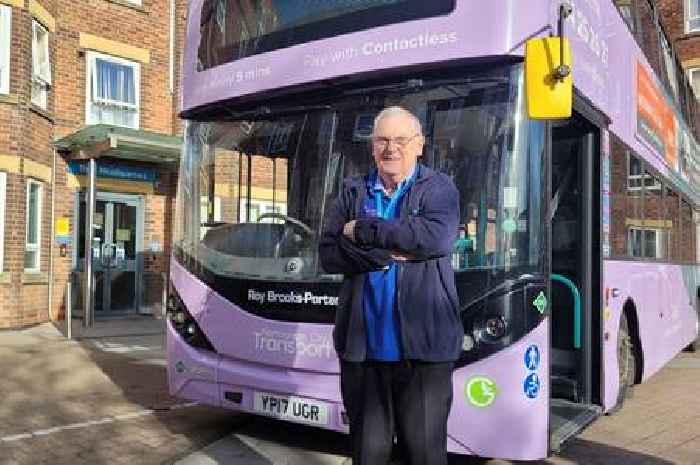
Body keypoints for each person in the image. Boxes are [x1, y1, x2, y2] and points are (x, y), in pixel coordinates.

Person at [319, 106, 463, 465]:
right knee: (367, 456)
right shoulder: (352, 190)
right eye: (382, 140)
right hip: (363, 355)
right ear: (372, 147)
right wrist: (383, 255)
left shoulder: (439, 188)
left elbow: (435, 238)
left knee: (425, 456)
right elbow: (328, 253)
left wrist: (366, 231)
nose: (391, 148)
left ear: (419, 145)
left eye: (401, 140)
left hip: (424, 355)